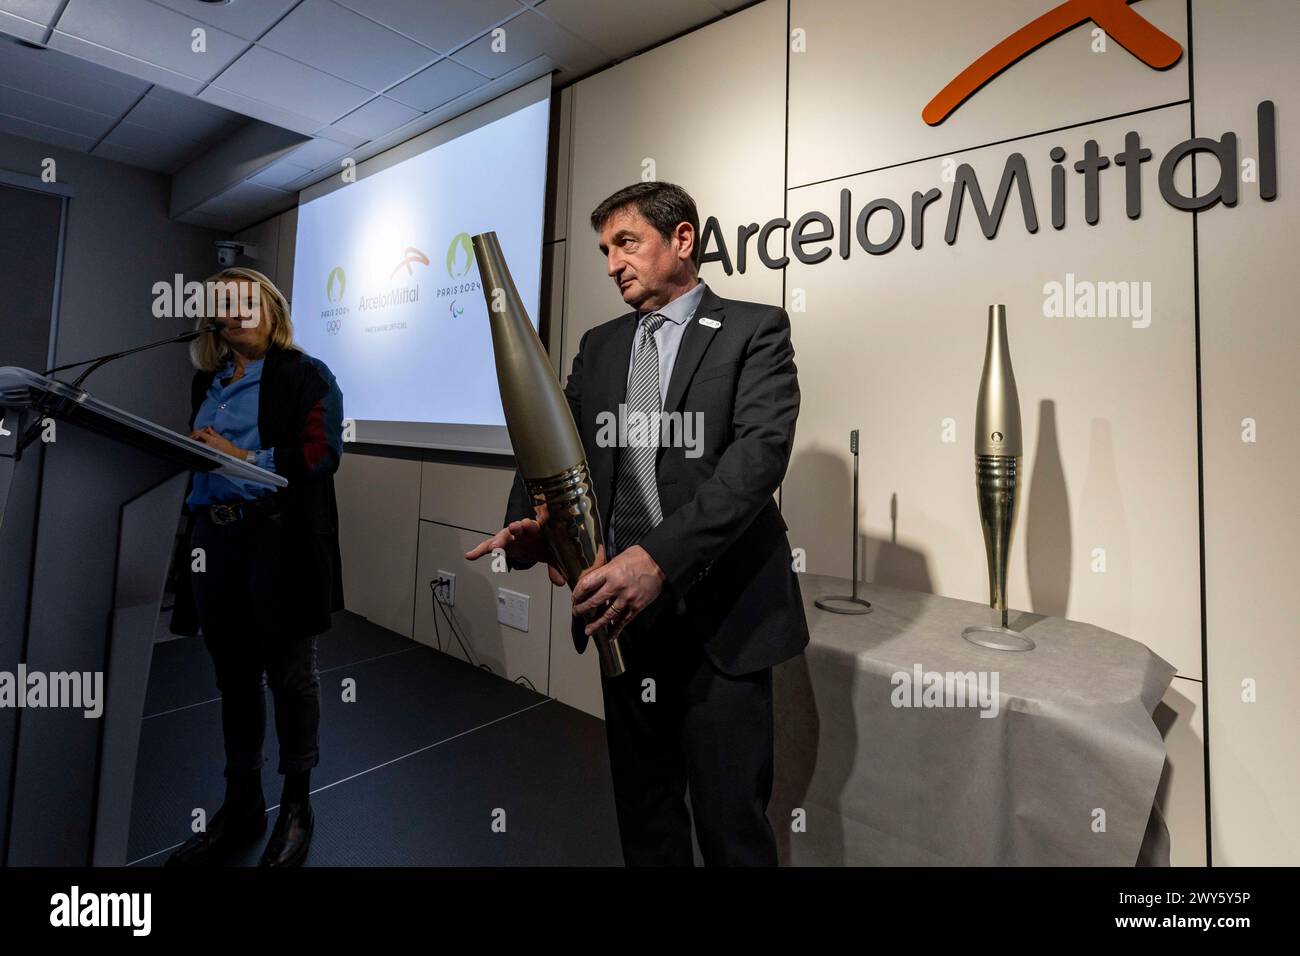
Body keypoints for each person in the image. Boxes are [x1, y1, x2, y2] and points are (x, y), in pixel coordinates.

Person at [466, 181, 809, 865]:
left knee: (730, 823)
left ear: (681, 240)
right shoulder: (600, 346)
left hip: (722, 621)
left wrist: (656, 559)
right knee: (646, 815)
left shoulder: (754, 330)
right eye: (604, 249)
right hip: (623, 619)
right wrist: (534, 524)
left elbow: (757, 461)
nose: (612, 262)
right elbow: (554, 444)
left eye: (627, 242)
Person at [166, 267, 344, 867]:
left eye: (247, 300)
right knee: (233, 679)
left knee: (290, 679)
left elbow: (322, 454)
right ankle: (242, 802)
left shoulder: (306, 375)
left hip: (278, 545)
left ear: (271, 308)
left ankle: (297, 806)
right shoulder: (206, 383)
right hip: (214, 547)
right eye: (223, 304)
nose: (235, 310)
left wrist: (241, 457)